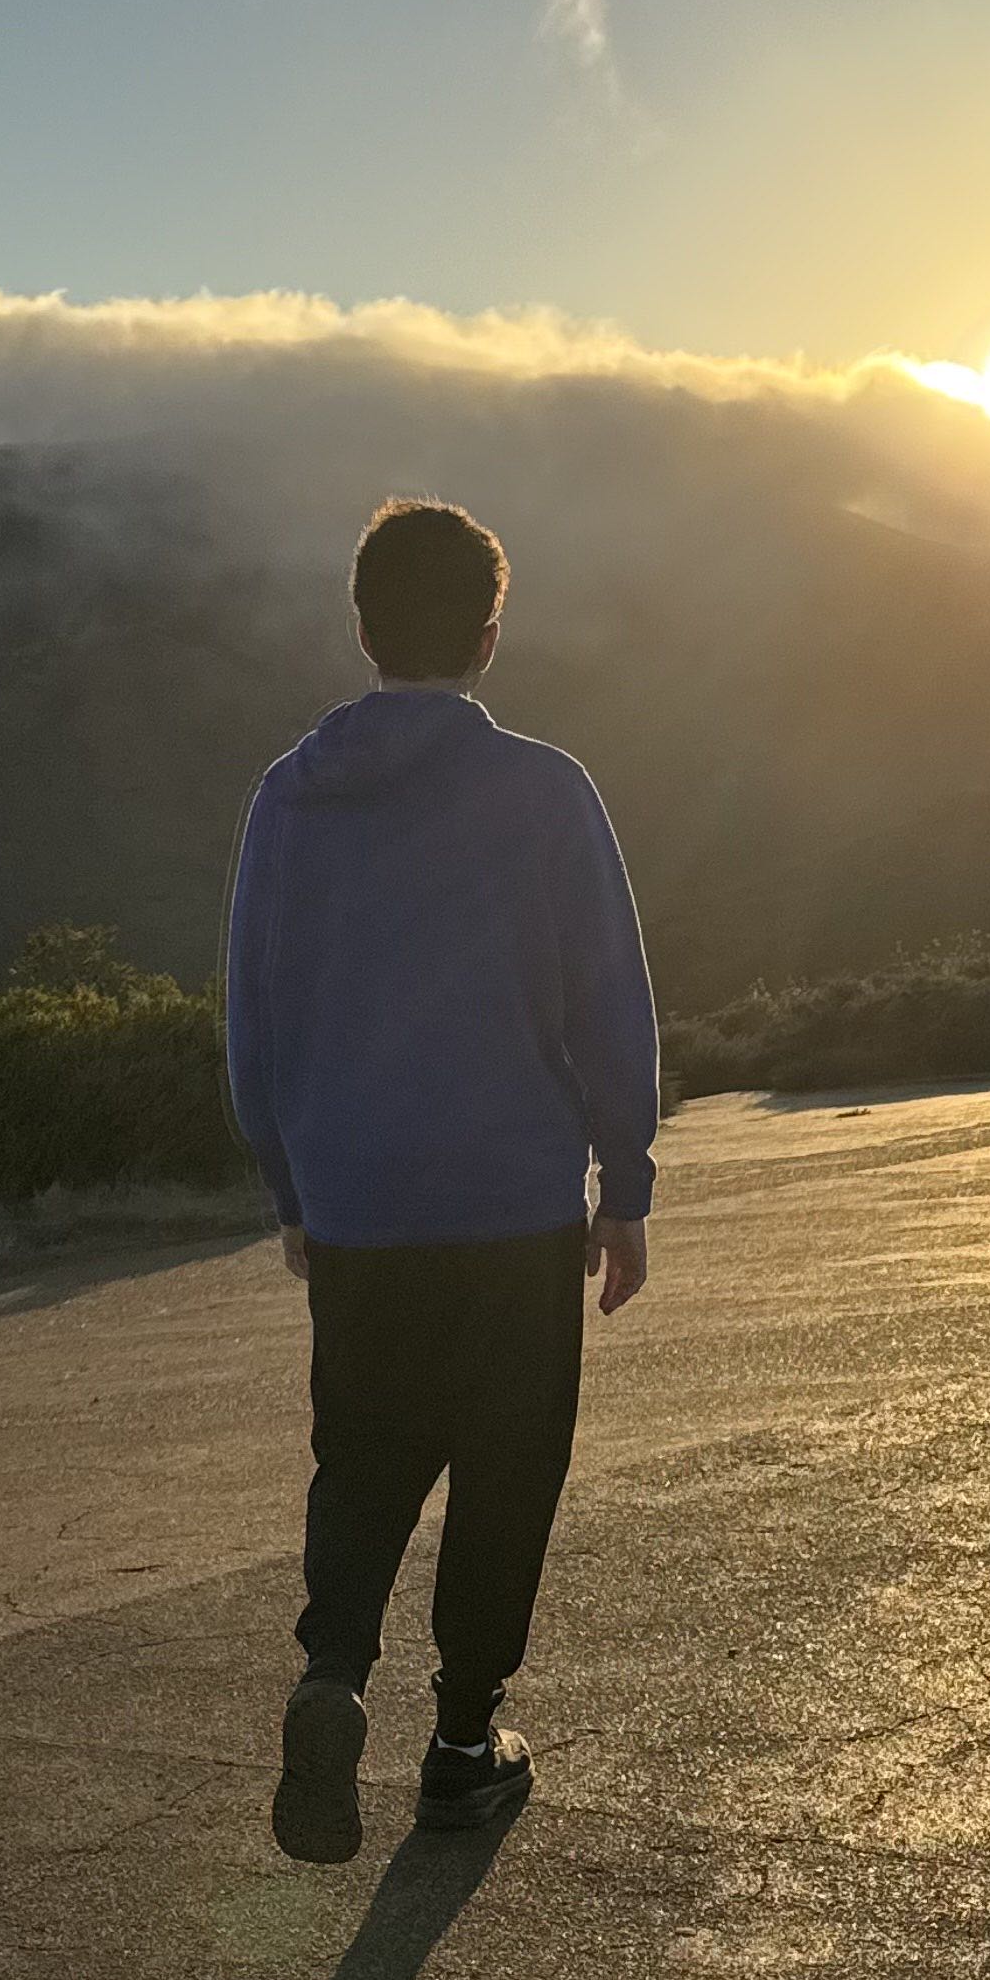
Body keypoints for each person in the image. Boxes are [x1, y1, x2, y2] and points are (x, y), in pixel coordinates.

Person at [225, 498, 659, 1865]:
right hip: (515, 1204)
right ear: (489, 631)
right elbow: (610, 999)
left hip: (359, 1211)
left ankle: (334, 1671)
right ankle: (464, 1743)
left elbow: (255, 1013)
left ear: (362, 627)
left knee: (360, 1459)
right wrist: (627, 1181)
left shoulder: (290, 799)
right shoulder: (545, 790)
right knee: (507, 1467)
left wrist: (293, 1194)